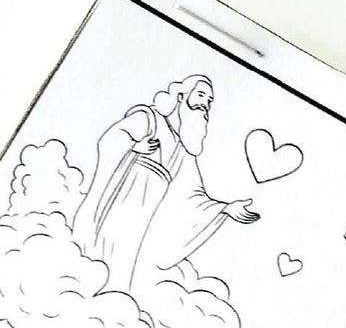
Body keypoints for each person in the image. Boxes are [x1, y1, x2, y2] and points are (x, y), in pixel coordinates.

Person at [74, 74, 258, 291]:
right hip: (115, 203)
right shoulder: (150, 119)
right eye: (200, 95)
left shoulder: (182, 150)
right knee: (97, 254)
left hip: (139, 220)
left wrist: (225, 208)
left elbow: (193, 194)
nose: (205, 105)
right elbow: (111, 138)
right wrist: (133, 147)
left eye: (209, 101)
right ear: (181, 96)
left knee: (120, 266)